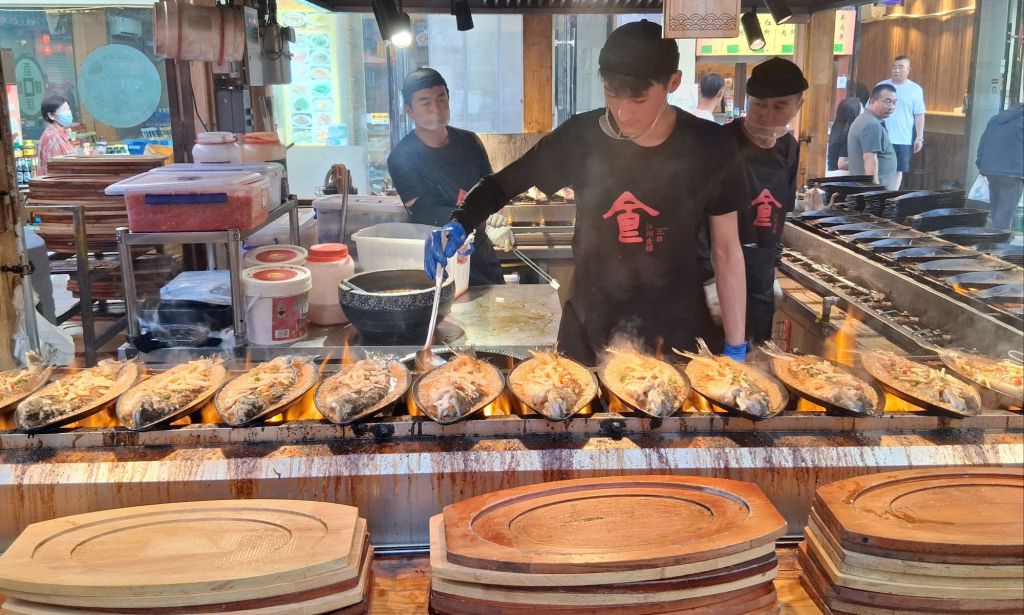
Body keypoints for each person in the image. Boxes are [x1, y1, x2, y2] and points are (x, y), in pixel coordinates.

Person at [423, 20, 749, 366]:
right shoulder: (581, 138)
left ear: (673, 82)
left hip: (675, 334)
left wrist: (736, 345)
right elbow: (502, 184)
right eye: (612, 94)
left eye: (638, 99)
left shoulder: (709, 145)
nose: (623, 112)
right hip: (590, 329)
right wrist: (460, 221)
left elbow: (727, 250)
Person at [387, 68, 507, 286]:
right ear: (409, 110)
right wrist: (477, 220)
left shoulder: (469, 142)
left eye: (441, 99)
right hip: (441, 256)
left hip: (481, 256)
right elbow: (427, 211)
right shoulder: (401, 158)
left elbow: (490, 189)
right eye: (425, 102)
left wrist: (493, 216)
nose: (436, 108)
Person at [721, 57, 806, 344]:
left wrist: (772, 269)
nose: (767, 116)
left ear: (798, 106)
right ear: (747, 100)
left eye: (779, 107)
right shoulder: (720, 142)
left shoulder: (789, 148)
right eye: (759, 104)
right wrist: (708, 278)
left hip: (761, 271)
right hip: (716, 271)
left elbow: (780, 216)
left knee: (757, 355)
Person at [878, 56, 926, 188]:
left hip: (903, 138)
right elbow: (869, 109)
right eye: (894, 67)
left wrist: (919, 137)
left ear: (908, 70)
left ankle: (891, 196)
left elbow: (919, 115)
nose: (896, 70)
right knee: (878, 168)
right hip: (881, 136)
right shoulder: (881, 86)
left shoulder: (915, 89)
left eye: (901, 67)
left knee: (898, 170)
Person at [976, 103, 1024, 230]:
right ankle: (999, 240)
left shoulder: (995, 119)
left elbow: (983, 144)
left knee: (997, 210)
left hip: (991, 171)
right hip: (1013, 173)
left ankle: (995, 237)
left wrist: (981, 164)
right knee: (1004, 215)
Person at [847, 84, 898, 189]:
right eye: (887, 101)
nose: (891, 107)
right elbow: (869, 158)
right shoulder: (872, 124)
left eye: (894, 102)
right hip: (871, 191)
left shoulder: (864, 118)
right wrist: (874, 190)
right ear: (872, 102)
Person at [38, 95, 77, 175]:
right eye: (64, 110)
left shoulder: (62, 133)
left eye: (68, 109)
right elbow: (53, 172)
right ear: (51, 115)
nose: (68, 112)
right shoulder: (51, 137)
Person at [826, 97, 863, 177]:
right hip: (841, 177)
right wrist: (865, 159)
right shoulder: (849, 133)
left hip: (832, 173)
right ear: (854, 114)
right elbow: (842, 164)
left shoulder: (837, 128)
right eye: (861, 111)